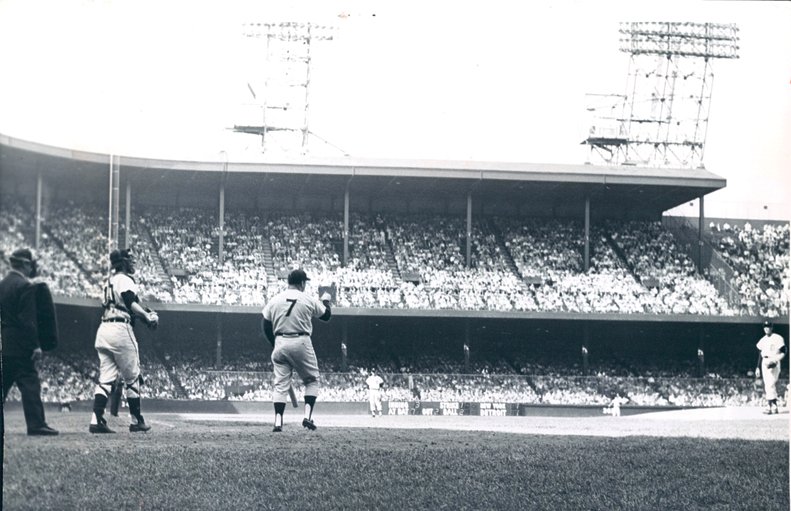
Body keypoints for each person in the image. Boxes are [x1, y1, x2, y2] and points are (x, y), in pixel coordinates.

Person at [89, 249, 159, 434]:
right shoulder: (125, 280)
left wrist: (142, 316)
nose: (132, 262)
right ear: (123, 262)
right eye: (129, 260)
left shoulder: (108, 281)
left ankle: (96, 420)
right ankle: (136, 421)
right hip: (120, 329)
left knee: (105, 379)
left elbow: (121, 305)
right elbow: (129, 302)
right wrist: (147, 315)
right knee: (133, 378)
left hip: (104, 329)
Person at [262, 269, 331, 432]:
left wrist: (275, 343)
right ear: (302, 283)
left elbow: (265, 324)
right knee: (312, 380)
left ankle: (278, 422)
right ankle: (307, 417)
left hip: (280, 341)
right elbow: (326, 316)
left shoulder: (275, 299)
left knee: (280, 385)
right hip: (301, 341)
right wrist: (326, 301)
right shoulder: (307, 298)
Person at [1, 248, 59, 436]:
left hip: (4, 344)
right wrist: (35, 345)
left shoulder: (2, 284)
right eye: (31, 263)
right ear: (25, 264)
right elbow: (28, 320)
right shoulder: (25, 285)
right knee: (30, 384)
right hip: (20, 346)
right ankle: (36, 424)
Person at [755, 320, 786, 415]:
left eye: (768, 326)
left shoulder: (777, 338)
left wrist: (776, 360)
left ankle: (770, 406)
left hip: (773, 360)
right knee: (767, 384)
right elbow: (760, 353)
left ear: (772, 328)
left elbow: (784, 351)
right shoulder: (763, 340)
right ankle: (774, 406)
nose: (766, 328)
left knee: (770, 384)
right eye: (765, 326)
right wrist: (757, 367)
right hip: (765, 361)